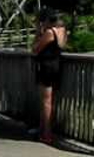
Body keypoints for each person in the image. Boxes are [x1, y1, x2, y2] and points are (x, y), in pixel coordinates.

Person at [32, 8, 67, 144]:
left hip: (46, 67)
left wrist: (37, 33)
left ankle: (46, 134)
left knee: (45, 102)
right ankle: (43, 131)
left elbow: (35, 49)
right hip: (56, 66)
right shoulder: (62, 31)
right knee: (50, 101)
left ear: (47, 21)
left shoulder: (49, 32)